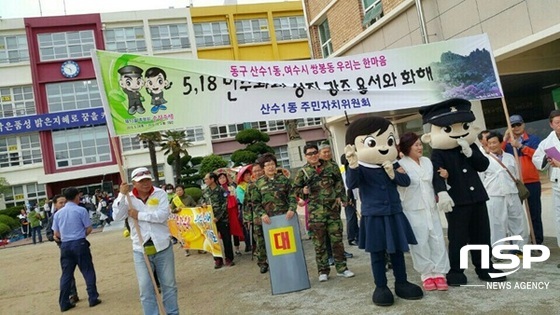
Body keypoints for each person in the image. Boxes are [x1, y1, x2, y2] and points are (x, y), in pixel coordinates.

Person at [420, 98, 505, 286]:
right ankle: (456, 271)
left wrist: (470, 153)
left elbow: (483, 166)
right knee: (458, 237)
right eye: (449, 128)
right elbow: (436, 175)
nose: (459, 132)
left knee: (481, 234)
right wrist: (442, 193)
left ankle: (484, 267)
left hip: (477, 198)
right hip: (457, 201)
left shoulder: (471, 146)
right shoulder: (439, 153)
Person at [344, 117, 422, 306]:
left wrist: (393, 173)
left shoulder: (392, 163)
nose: (384, 147)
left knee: (397, 251)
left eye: (388, 141)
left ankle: (401, 282)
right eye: (372, 142)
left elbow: (406, 182)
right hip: (374, 215)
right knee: (377, 253)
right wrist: (353, 166)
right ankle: (381, 286)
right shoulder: (360, 166)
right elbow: (352, 184)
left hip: (394, 212)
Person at [112, 167, 179, 315]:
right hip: (140, 249)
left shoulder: (160, 194)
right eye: (141, 181)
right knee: (145, 288)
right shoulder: (128, 198)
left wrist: (138, 215)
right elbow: (117, 216)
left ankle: (172, 313)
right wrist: (121, 195)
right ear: (134, 183)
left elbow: (161, 216)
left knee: (169, 285)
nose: (146, 183)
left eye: (148, 179)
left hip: (162, 246)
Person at [293, 144, 355, 283]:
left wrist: (342, 197)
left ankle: (342, 268)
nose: (313, 155)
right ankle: (323, 270)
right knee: (319, 243)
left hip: (332, 210)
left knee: (337, 241)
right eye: (309, 154)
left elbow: (339, 182)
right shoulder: (303, 172)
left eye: (315, 152)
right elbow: (294, 189)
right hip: (315, 213)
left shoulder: (331, 167)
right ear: (305, 156)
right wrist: (302, 192)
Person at [397, 132, 450, 291]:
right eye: (416, 145)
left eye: (420, 144)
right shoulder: (401, 164)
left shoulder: (427, 161)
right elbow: (399, 185)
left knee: (437, 239)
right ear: (408, 148)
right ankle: (426, 274)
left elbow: (435, 180)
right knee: (420, 241)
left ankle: (439, 273)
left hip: (430, 207)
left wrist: (445, 176)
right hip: (413, 209)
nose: (420, 147)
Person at [52, 187, 101, 312]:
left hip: (65, 245)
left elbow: (56, 233)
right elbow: (89, 228)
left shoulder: (58, 214)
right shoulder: (81, 210)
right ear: (76, 197)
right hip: (79, 243)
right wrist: (80, 235)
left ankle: (64, 302)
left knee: (66, 274)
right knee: (87, 270)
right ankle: (92, 297)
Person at [481, 131, 529, 249]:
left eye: (494, 142)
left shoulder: (510, 157)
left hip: (512, 194)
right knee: (497, 225)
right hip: (494, 195)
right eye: (489, 143)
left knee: (518, 222)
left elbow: (516, 175)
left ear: (500, 142)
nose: (492, 145)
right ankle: (498, 251)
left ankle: (520, 248)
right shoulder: (484, 160)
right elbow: (481, 180)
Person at [251, 153, 297, 273]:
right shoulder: (258, 184)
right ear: (263, 168)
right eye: (267, 165)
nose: (270, 167)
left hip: (284, 217)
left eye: (272, 164)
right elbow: (255, 202)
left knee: (285, 242)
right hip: (268, 220)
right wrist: (262, 214)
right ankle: (267, 264)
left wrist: (292, 208)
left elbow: (292, 195)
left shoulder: (284, 180)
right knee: (270, 244)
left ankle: (288, 263)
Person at [503, 114, 543, 245]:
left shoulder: (533, 139)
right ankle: (516, 243)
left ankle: (537, 240)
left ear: (523, 124)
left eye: (518, 124)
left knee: (534, 213)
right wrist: (505, 139)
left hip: (531, 181)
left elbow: (538, 156)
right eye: (513, 125)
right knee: (513, 215)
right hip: (514, 183)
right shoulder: (507, 144)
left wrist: (520, 146)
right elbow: (497, 154)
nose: (516, 127)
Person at [318, 141, 353, 265]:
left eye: (329, 151)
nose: (327, 154)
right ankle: (329, 254)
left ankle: (340, 252)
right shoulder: (317, 166)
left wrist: (343, 198)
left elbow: (339, 183)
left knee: (337, 229)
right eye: (324, 152)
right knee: (326, 231)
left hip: (335, 203)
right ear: (319, 153)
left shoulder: (333, 165)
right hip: (322, 205)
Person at [533, 110, 560, 247]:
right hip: (557, 184)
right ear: (551, 124)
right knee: (559, 218)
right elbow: (537, 160)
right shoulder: (546, 143)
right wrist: (547, 159)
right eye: (557, 122)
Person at [47, 194, 79, 304]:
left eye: (65, 202)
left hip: (78, 245)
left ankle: (92, 293)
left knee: (86, 269)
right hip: (64, 247)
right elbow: (49, 234)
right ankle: (73, 294)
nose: (63, 204)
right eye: (60, 203)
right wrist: (53, 237)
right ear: (55, 205)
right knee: (68, 272)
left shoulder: (73, 212)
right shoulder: (53, 218)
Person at [200, 172, 235, 269]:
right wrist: (202, 203)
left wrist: (218, 217)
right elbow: (201, 200)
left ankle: (229, 258)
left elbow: (224, 205)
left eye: (206, 179)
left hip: (222, 219)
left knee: (226, 239)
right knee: (213, 240)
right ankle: (217, 259)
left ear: (212, 179)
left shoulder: (221, 190)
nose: (205, 181)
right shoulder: (205, 191)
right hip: (210, 220)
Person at [217, 172, 246, 256]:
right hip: (223, 214)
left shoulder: (231, 188)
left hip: (233, 211)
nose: (222, 179)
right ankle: (228, 251)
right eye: (220, 178)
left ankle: (237, 248)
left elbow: (236, 199)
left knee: (235, 229)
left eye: (223, 177)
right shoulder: (218, 189)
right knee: (225, 233)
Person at [170, 184, 197, 256]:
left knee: (194, 233)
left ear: (183, 190)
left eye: (180, 190)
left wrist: (188, 208)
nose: (179, 191)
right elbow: (172, 210)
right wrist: (176, 209)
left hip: (190, 218)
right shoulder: (175, 200)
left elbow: (194, 206)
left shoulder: (189, 197)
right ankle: (186, 250)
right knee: (184, 235)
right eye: (177, 190)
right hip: (181, 220)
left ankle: (199, 248)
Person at [235, 165, 254, 253]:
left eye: (249, 174)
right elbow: (242, 199)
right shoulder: (240, 187)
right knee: (247, 228)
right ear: (242, 176)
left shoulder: (253, 184)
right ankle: (248, 245)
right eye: (246, 175)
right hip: (245, 210)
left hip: (254, 208)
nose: (248, 176)